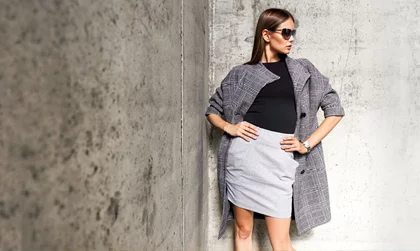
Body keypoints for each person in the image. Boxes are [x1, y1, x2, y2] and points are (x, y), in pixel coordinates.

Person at [205, 8, 345, 251]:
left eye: (293, 33)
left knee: (280, 243)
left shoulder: (304, 69)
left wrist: (306, 144)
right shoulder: (241, 73)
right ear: (267, 35)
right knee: (243, 231)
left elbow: (335, 110)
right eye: (286, 32)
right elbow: (212, 110)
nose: (291, 39)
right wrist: (230, 127)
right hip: (244, 159)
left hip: (280, 159)